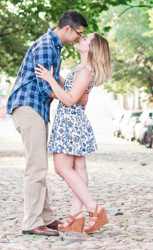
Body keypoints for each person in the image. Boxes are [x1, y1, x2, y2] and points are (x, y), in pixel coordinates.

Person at [6, 10, 90, 237]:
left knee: (39, 163)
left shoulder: (54, 47)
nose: (79, 39)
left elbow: (54, 81)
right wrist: (71, 97)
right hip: (29, 107)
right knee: (36, 167)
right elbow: (46, 87)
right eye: (79, 34)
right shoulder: (45, 46)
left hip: (37, 110)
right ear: (67, 28)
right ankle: (32, 221)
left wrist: (73, 91)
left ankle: (46, 217)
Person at [35, 32, 113, 234]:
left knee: (62, 168)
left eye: (86, 39)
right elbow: (72, 94)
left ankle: (95, 209)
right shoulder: (81, 69)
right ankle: (75, 216)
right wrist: (58, 79)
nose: (81, 39)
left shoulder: (86, 71)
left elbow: (69, 99)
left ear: (92, 48)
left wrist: (50, 80)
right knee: (78, 169)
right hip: (71, 121)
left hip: (70, 122)